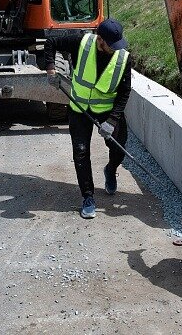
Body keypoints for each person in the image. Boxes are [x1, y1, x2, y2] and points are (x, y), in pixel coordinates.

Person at [45, 18, 132, 219]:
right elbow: (51, 42)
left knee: (119, 149)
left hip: (108, 111)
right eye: (111, 45)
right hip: (80, 109)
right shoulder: (80, 42)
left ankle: (110, 169)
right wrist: (51, 68)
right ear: (100, 40)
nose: (115, 49)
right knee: (81, 153)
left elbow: (124, 92)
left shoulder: (123, 58)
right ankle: (88, 197)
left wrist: (111, 122)